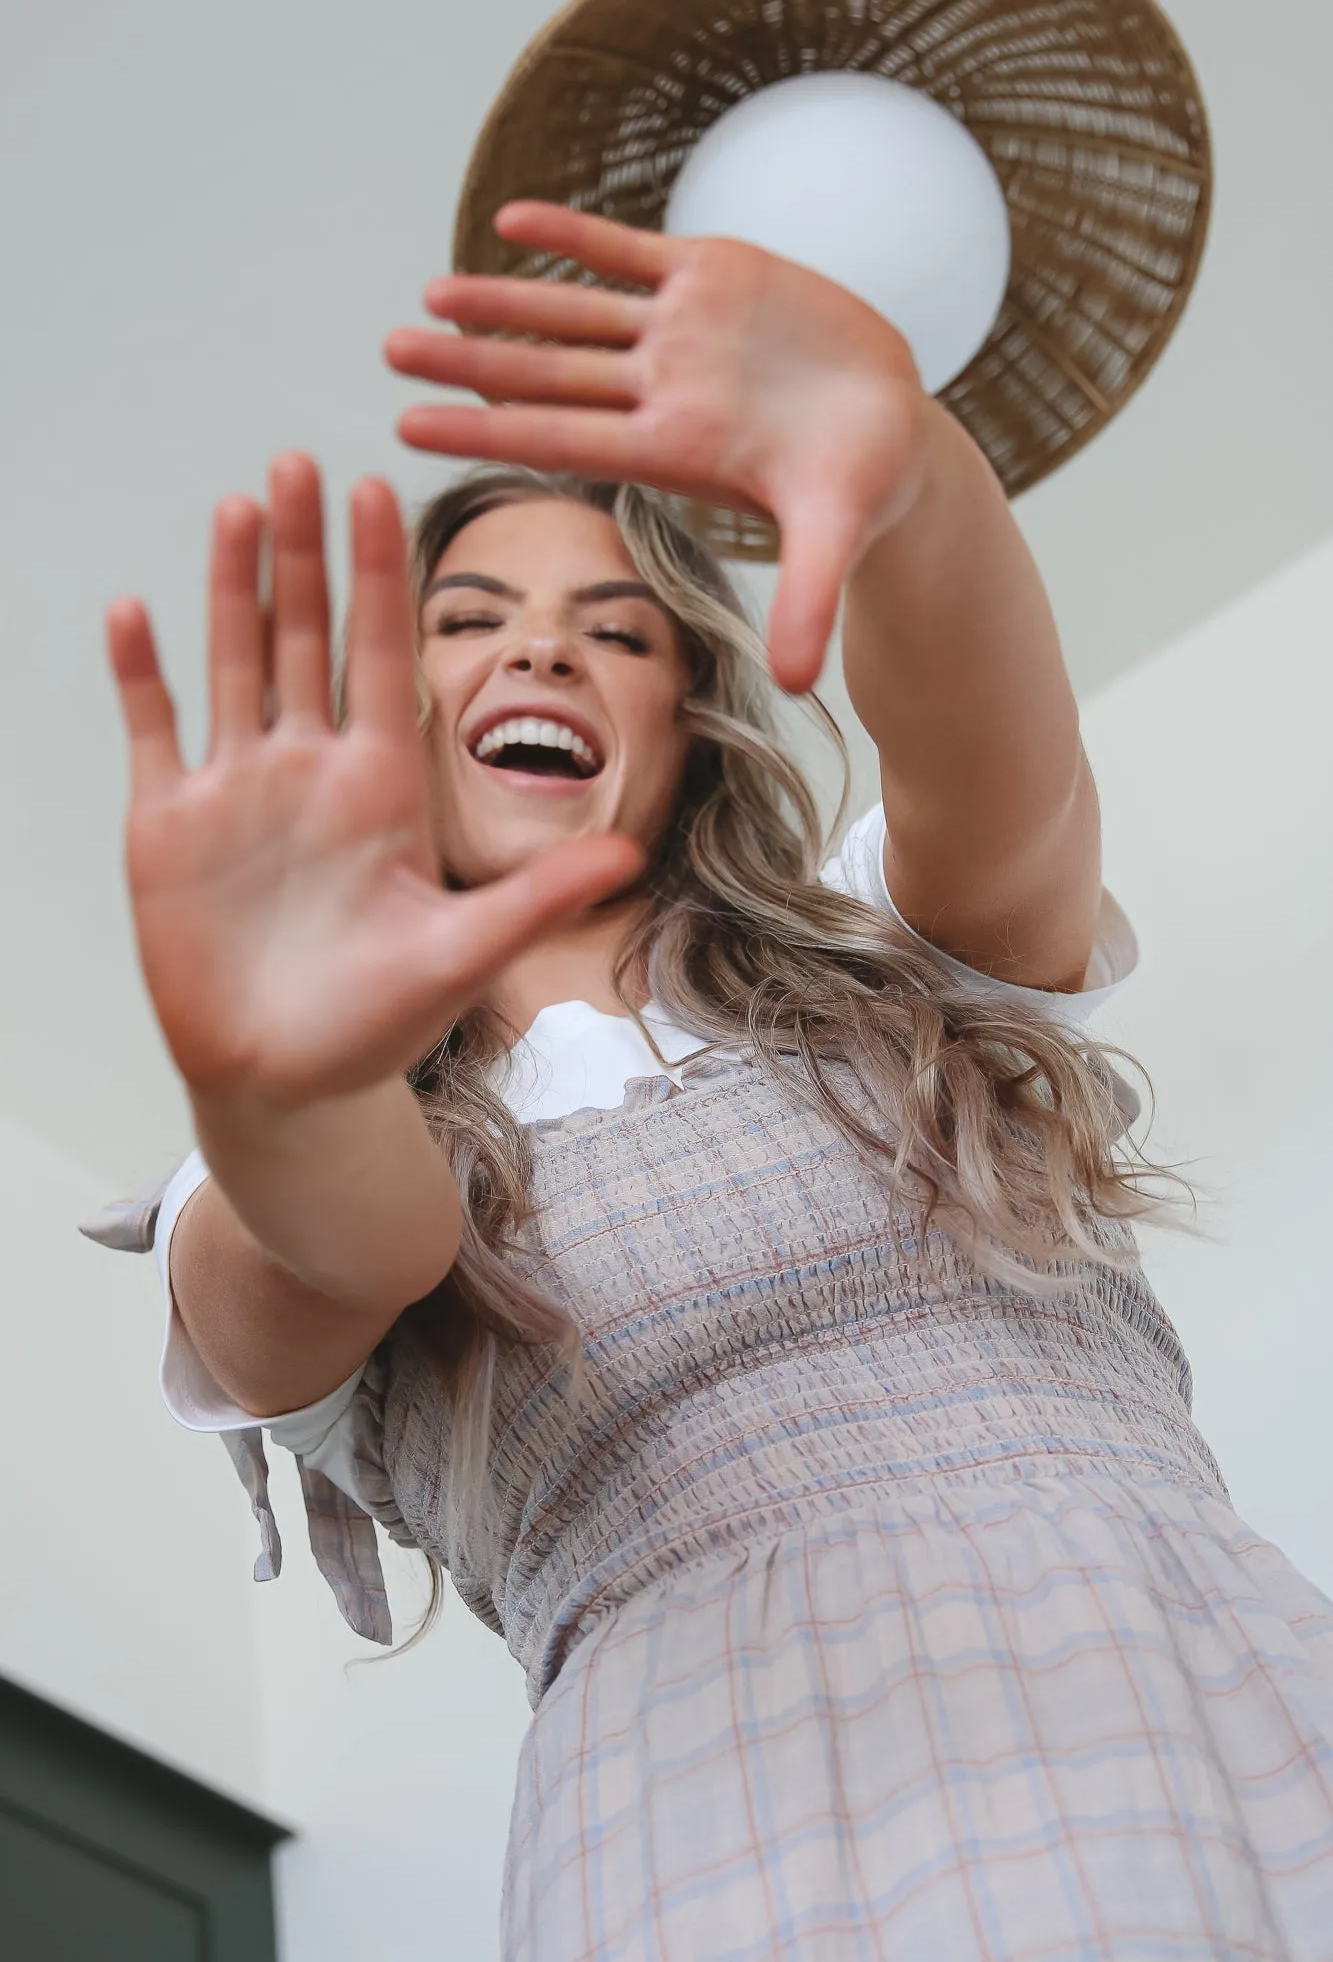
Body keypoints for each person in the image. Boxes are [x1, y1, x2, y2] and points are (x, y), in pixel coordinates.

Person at [90, 203, 1333, 1958]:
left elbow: (1011, 783)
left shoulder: (882, 961)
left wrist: (908, 467)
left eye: (614, 629)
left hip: (1195, 1721)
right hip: (705, 1835)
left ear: (683, 725)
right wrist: (280, 1075)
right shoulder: (286, 1144)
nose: (540, 653)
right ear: (391, 707)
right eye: (470, 620)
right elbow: (339, 1243)